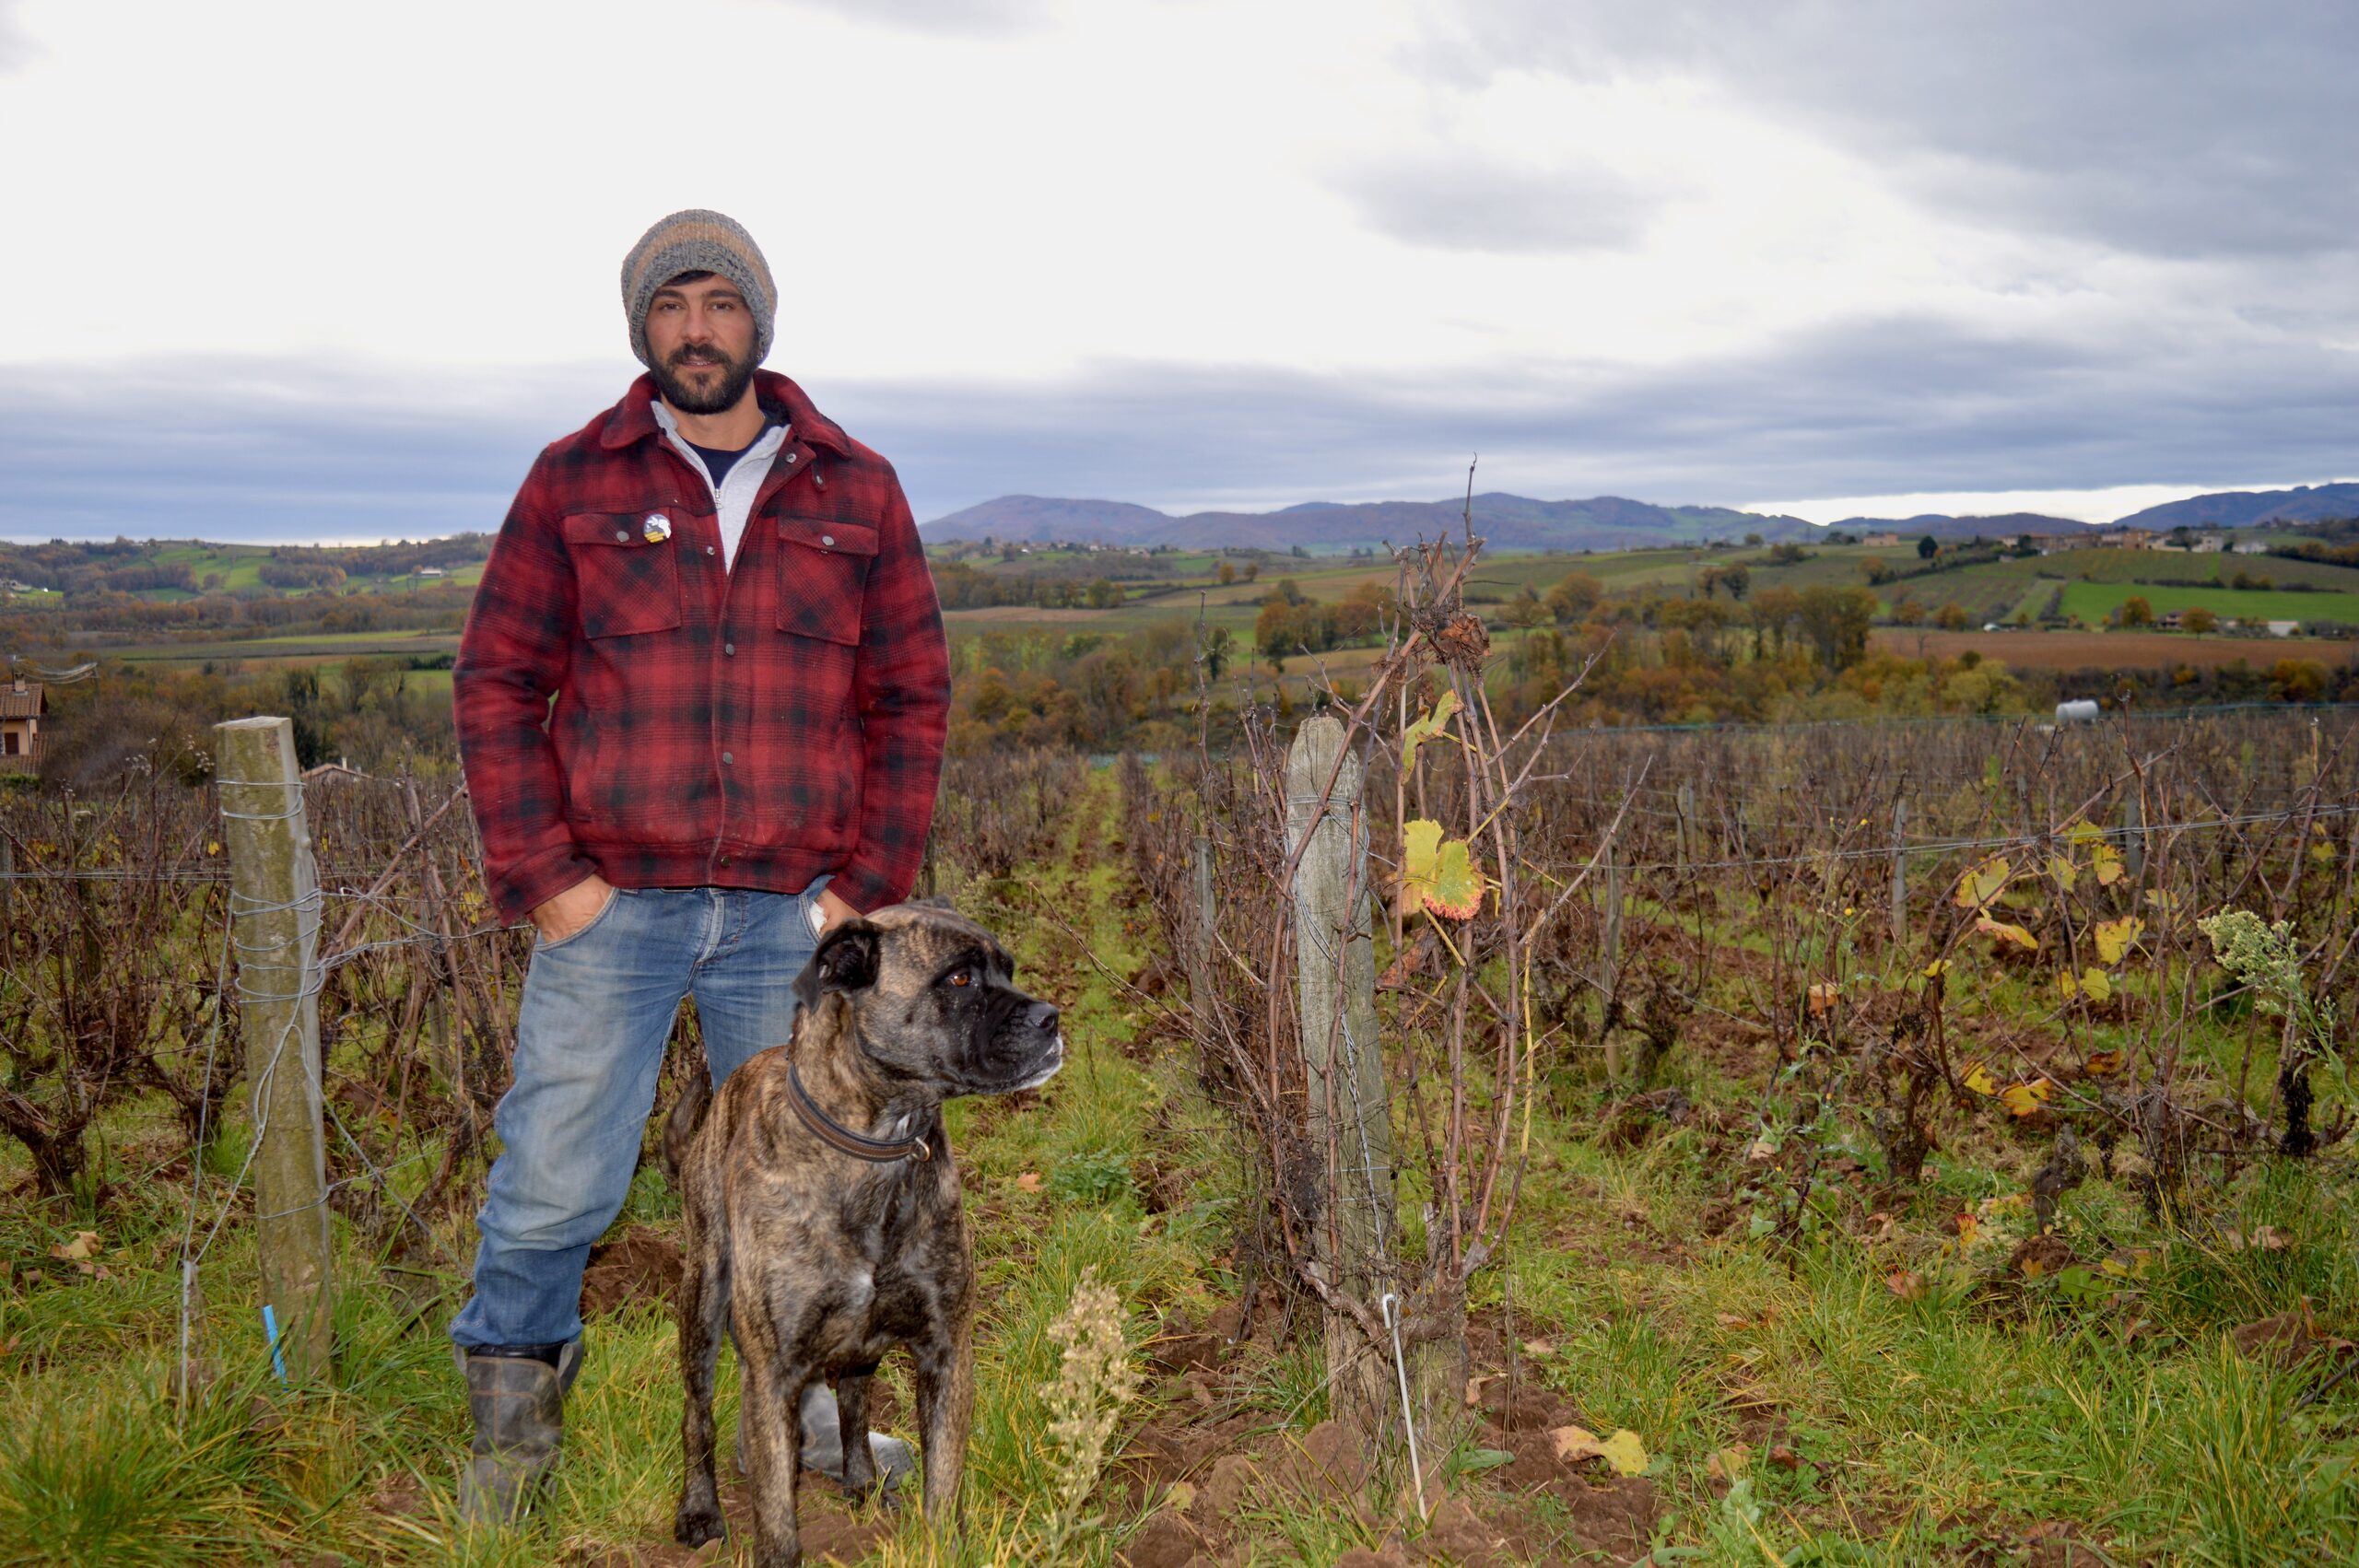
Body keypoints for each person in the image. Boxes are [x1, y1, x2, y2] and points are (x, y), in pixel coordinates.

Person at [448, 208, 951, 1524]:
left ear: (759, 323)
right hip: (612, 903)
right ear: (642, 330)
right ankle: (512, 1436)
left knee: (827, 1178)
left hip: (796, 917)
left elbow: (911, 698)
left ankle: (833, 1430)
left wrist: (865, 887)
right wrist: (550, 876)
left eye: (720, 303)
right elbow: (497, 680)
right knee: (558, 1166)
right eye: (670, 305)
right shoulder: (575, 481)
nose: (696, 329)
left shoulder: (859, 485)